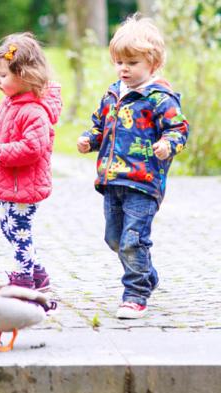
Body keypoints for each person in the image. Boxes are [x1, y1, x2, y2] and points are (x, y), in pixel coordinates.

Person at [77, 16, 189, 319]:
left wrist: (167, 144)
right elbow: (100, 126)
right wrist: (89, 139)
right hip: (112, 180)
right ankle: (147, 274)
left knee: (132, 240)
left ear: (153, 64)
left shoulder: (160, 99)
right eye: (119, 62)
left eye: (132, 62)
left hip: (143, 182)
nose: (123, 69)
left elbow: (178, 130)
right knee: (114, 239)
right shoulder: (113, 94)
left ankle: (135, 295)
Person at [0, 33, 61, 292]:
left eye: (3, 75)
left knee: (20, 230)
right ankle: (38, 273)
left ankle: (23, 279)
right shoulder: (9, 103)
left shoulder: (34, 111)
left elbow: (32, 148)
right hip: (10, 183)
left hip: (25, 185)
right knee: (8, 227)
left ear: (24, 75)